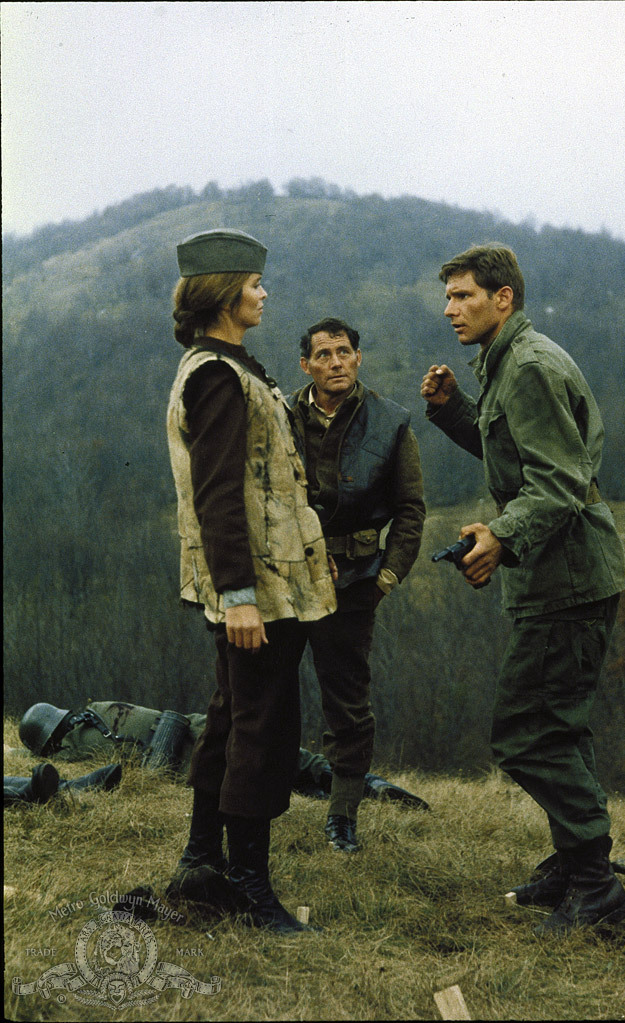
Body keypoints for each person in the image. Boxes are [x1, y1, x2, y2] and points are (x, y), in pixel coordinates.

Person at [420, 244, 625, 935]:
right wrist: (456, 413)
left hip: (567, 579)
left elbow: (561, 482)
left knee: (524, 732)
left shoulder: (530, 366)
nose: (451, 308)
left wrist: (504, 537)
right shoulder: (509, 362)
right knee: (556, 725)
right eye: (448, 296)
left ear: (502, 298)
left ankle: (596, 886)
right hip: (561, 575)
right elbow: (520, 456)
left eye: (464, 295)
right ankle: (578, 863)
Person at [166, 229, 337, 934]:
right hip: (256, 591)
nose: (265, 293)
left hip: (268, 583)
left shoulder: (232, 364)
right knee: (261, 728)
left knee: (232, 718)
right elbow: (216, 496)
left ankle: (203, 863)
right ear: (226, 292)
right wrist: (237, 596)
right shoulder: (215, 375)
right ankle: (247, 885)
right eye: (256, 284)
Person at [288, 318, 426, 852]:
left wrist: (387, 576)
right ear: (307, 365)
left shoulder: (391, 423)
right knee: (268, 692)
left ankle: (342, 816)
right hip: (287, 577)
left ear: (359, 357)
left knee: (346, 701)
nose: (335, 362)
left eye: (344, 352)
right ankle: (257, 799)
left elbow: (411, 510)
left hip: (354, 584)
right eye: (323, 354)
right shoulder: (281, 417)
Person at [16, 700, 430, 809]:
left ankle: (326, 794)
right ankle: (365, 785)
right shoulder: (99, 707)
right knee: (283, 756)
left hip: (180, 759)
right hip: (194, 726)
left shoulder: (73, 749)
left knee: (262, 779)